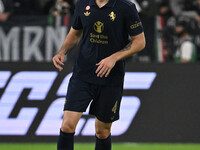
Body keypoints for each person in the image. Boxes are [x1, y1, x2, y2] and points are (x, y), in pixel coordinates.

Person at [52, 0, 145, 149]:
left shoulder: (125, 7)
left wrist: (113, 58)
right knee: (67, 125)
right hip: (82, 75)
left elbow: (139, 41)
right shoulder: (83, 4)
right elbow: (75, 33)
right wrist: (62, 51)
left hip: (110, 79)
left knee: (102, 131)